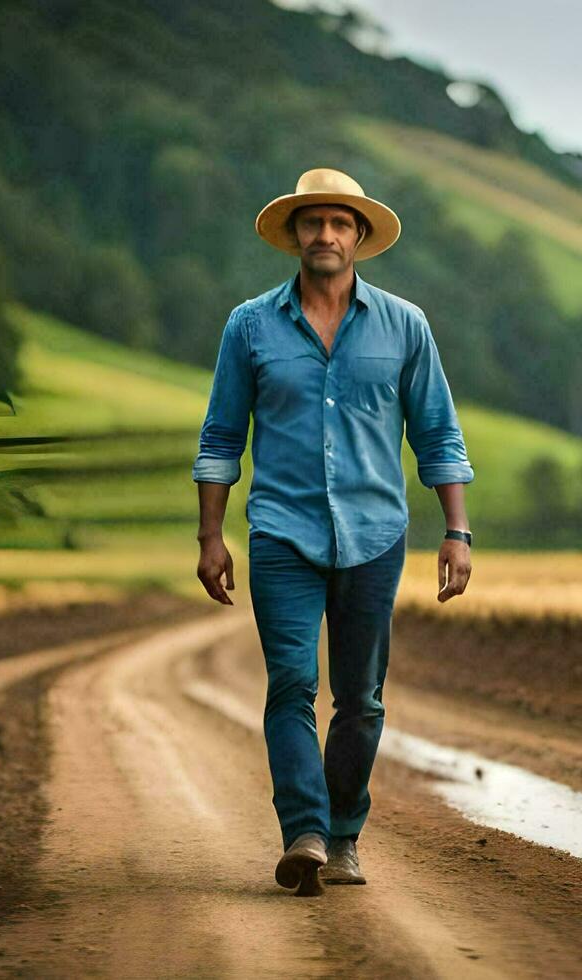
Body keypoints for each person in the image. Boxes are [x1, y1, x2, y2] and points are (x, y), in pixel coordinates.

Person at [192, 167, 475, 896]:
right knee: (290, 685)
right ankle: (306, 834)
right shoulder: (249, 325)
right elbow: (222, 436)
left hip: (375, 537)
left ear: (359, 238)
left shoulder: (404, 326)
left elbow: (437, 433)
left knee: (362, 699)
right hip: (281, 535)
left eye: (339, 223)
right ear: (294, 235)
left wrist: (457, 532)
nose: (325, 235)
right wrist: (210, 537)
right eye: (313, 222)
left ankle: (344, 833)